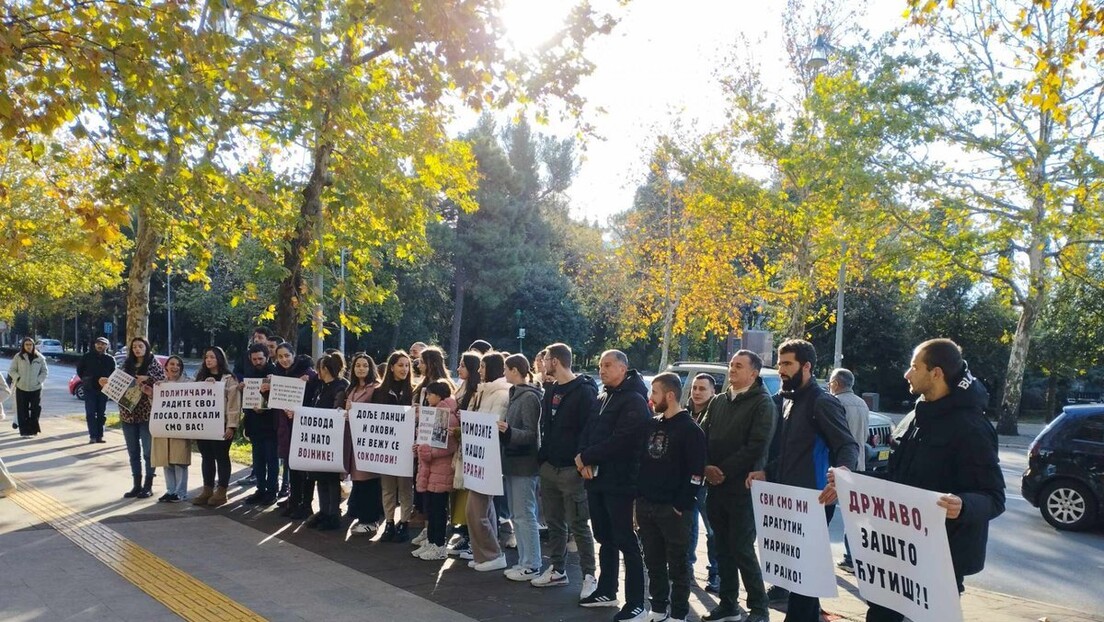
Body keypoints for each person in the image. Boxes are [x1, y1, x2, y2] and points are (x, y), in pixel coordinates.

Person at [820, 339, 1005, 622]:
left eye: (914, 366)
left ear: (936, 373)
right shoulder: (914, 416)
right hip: (896, 554)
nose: (907, 374)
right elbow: (894, 480)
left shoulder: (972, 428)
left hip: (941, 558)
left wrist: (963, 505)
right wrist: (849, 481)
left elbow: (994, 497)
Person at [747, 340, 859, 622]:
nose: (780, 369)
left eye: (787, 364)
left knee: (805, 575)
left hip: (814, 500)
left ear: (806, 366)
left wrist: (840, 479)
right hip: (785, 501)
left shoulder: (822, 402)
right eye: (779, 363)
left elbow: (847, 445)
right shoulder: (785, 400)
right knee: (797, 574)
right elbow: (787, 453)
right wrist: (765, 473)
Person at [575, 350, 651, 622]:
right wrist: (582, 456)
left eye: (607, 365)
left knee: (626, 541)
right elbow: (588, 430)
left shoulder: (634, 399)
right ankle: (607, 589)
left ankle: (637, 603)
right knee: (604, 537)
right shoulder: (603, 395)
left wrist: (587, 456)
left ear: (623, 368)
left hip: (621, 482)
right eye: (600, 365)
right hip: (596, 480)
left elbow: (624, 440)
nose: (602, 370)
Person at [701, 353, 776, 622]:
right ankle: (728, 605)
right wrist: (707, 466)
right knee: (722, 548)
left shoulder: (762, 403)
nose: (732, 369)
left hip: (742, 489)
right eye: (731, 365)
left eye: (738, 366)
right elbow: (702, 435)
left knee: (742, 549)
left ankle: (759, 610)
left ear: (754, 373)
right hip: (715, 487)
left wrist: (723, 470)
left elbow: (757, 445)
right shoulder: (719, 400)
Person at [531, 342, 598, 598]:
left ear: (555, 361)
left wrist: (582, 459)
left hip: (572, 469)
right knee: (555, 522)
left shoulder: (584, 391)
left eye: (545, 359)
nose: (542, 363)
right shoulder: (551, 390)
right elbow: (546, 427)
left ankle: (589, 576)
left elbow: (588, 428)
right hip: (550, 467)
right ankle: (557, 569)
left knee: (579, 524)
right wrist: (543, 458)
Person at [638, 372, 706, 622]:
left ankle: (678, 614)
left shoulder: (690, 430)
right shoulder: (652, 424)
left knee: (678, 566)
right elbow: (642, 463)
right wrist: (639, 499)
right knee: (653, 563)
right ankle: (657, 609)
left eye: (654, 392)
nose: (650, 397)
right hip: (647, 506)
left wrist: (682, 504)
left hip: (674, 510)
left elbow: (697, 473)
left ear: (669, 395)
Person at [499, 353, 543, 581]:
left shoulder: (527, 397)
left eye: (506, 369)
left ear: (515, 370)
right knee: (519, 514)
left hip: (524, 464)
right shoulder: (519, 394)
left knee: (524, 514)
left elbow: (531, 434)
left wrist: (508, 431)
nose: (504, 373)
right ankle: (526, 561)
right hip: (515, 463)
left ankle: (532, 563)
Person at [466, 351, 511, 571]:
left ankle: (492, 553)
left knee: (475, 511)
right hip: (478, 456)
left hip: (488, 458)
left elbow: (492, 426)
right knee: (484, 510)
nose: (479, 370)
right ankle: (484, 553)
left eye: (483, 367)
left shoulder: (501, 395)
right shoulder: (482, 392)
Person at [111, 337, 164, 498]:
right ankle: (136, 485)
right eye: (134, 347)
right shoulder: (126, 364)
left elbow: (163, 382)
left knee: (148, 452)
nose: (137, 349)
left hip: (147, 413)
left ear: (146, 347)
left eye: (140, 346)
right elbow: (115, 383)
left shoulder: (154, 364)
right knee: (133, 451)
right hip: (128, 413)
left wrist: (148, 379)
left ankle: (148, 485)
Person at [413, 381, 460, 560]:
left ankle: (439, 545)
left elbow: (448, 446)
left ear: (439, 395)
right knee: (431, 508)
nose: (427, 398)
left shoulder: (446, 415)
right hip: (432, 470)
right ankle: (432, 542)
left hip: (440, 470)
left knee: (438, 509)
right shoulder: (436, 413)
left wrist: (426, 452)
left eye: (429, 394)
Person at [828, 367, 870, 573]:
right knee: (854, 514)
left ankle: (849, 558)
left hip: (841, 466)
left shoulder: (835, 403)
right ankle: (855, 558)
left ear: (836, 383)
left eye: (830, 381)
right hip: (859, 464)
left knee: (830, 510)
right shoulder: (862, 403)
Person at [372, 350, 416, 542]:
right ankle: (389, 522)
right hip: (387, 448)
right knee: (388, 487)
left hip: (406, 449)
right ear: (391, 367)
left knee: (405, 488)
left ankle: (404, 523)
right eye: (400, 365)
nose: (404, 369)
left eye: (407, 365)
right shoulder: (379, 392)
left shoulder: (414, 391)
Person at [191, 346, 242, 508]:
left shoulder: (229, 379)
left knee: (221, 457)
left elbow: (234, 404)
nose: (209, 360)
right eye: (206, 357)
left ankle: (221, 491)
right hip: (203, 426)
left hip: (222, 425)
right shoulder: (199, 378)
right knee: (206, 457)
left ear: (219, 359)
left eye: (212, 357)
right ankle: (207, 489)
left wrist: (232, 426)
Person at [274, 344, 320, 519]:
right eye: (280, 357)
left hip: (303, 427)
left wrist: (308, 382)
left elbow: (313, 399)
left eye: (287, 355)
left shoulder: (308, 373)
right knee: (292, 465)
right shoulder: (279, 373)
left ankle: (306, 504)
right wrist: (266, 392)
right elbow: (277, 401)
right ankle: (294, 502)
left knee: (305, 467)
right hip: (286, 427)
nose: (284, 359)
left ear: (294, 355)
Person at [447, 350, 483, 560]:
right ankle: (465, 534)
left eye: (462, 365)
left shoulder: (476, 390)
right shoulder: (461, 388)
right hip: (460, 447)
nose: (459, 368)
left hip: (470, 448)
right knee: (461, 495)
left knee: (470, 495)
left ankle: (471, 539)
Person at [686, 373, 720, 593]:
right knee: (688, 527)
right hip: (687, 482)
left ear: (713, 392)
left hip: (708, 483)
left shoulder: (718, 415)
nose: (697, 392)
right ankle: (685, 568)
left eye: (702, 389)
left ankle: (716, 573)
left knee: (713, 531)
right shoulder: (685, 414)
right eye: (695, 388)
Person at [306, 353, 348, 531]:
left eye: (320, 368)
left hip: (332, 438)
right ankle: (323, 511)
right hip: (318, 438)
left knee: (331, 478)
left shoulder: (340, 386)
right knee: (319, 477)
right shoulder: (320, 386)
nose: (318, 372)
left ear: (326, 368)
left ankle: (333, 513)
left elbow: (336, 409)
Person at [344, 353, 385, 535]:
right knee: (358, 481)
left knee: (368, 480)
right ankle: (361, 516)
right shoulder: (352, 388)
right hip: (353, 440)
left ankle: (371, 520)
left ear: (371, 368)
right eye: (358, 365)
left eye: (365, 366)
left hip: (368, 442)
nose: (361, 368)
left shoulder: (375, 388)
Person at [242, 343, 280, 505]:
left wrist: (264, 407)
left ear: (267, 357)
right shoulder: (249, 373)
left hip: (270, 425)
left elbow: (280, 399)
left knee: (271, 460)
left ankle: (271, 491)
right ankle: (260, 489)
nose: (257, 361)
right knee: (258, 461)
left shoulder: (275, 374)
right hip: (254, 425)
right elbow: (247, 399)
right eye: (254, 359)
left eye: (260, 358)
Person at [152, 355, 192, 502]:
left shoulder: (189, 383)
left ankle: (180, 492)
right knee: (166, 460)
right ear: (166, 367)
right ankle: (170, 491)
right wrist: (151, 394)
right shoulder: (160, 385)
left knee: (180, 460)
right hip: (164, 428)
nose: (175, 367)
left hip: (181, 427)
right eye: (172, 364)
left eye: (178, 365)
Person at [77, 336, 115, 443]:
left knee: (101, 413)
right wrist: (87, 380)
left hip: (104, 390)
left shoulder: (110, 359)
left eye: (103, 344)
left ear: (107, 346)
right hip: (90, 389)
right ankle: (92, 436)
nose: (100, 346)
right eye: (98, 343)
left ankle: (100, 436)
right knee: (90, 413)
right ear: (95, 345)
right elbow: (80, 370)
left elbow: (114, 374)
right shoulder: (87, 357)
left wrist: (107, 381)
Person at [10, 337, 48, 438]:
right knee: (22, 410)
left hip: (36, 388)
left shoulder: (40, 358)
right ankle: (24, 431)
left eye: (30, 344)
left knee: (36, 409)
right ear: (23, 346)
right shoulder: (18, 357)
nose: (28, 346)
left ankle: (33, 430)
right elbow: (12, 370)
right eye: (26, 344)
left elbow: (44, 371)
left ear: (33, 345)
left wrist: (39, 381)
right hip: (22, 387)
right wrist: (18, 378)